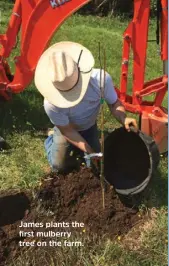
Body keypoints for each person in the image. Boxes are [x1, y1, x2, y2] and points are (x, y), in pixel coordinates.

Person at [34, 41, 137, 173]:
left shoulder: (100, 80)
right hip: (67, 128)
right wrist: (88, 149)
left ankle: (77, 146)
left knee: (96, 166)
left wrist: (123, 118)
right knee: (58, 167)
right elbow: (67, 131)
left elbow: (113, 103)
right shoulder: (51, 104)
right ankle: (51, 138)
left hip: (89, 127)